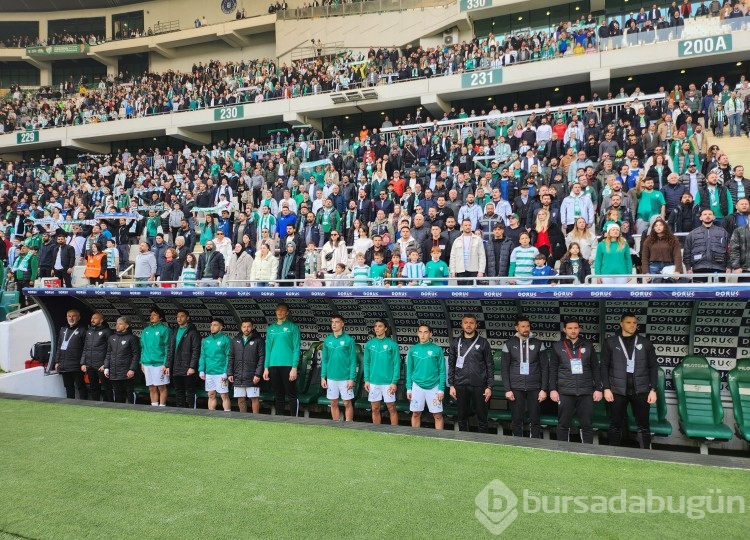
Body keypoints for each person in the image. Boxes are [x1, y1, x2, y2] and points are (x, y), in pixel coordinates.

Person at [601, 313, 658, 449]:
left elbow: (653, 367)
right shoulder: (611, 342)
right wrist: (606, 388)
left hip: (641, 390)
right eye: (628, 322)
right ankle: (613, 454)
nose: (632, 325)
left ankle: (645, 455)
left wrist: (653, 389)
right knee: (615, 424)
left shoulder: (645, 343)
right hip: (617, 390)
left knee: (643, 425)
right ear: (621, 324)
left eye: (634, 323)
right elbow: (603, 366)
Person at [549, 317, 602, 444]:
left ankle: (587, 452)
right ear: (564, 330)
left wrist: (599, 389)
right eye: (570, 328)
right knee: (563, 424)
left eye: (575, 328)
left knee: (587, 425)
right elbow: (553, 370)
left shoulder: (588, 346)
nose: (573, 331)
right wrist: (552, 389)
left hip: (585, 391)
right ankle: (563, 452)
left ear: (579, 329)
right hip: (565, 391)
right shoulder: (557, 347)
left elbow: (595, 368)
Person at [501, 316, 547, 438]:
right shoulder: (509, 344)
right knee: (516, 419)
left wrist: (543, 389)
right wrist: (507, 389)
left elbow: (544, 368)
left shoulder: (538, 344)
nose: (526, 329)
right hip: (516, 387)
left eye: (527, 326)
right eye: (523, 326)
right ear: (517, 328)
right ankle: (517, 444)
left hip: (535, 387)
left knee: (535, 419)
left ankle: (535, 443)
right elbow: (504, 368)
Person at [448, 314, 493, 433]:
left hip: (480, 385)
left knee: (482, 415)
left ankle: (484, 440)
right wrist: (451, 385)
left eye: (471, 323)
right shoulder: (455, 342)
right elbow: (451, 364)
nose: (469, 325)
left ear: (476, 325)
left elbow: (489, 365)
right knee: (462, 415)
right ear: (462, 325)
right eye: (466, 322)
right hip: (460, 384)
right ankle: (464, 440)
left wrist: (489, 386)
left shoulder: (483, 342)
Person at [263, 302, 301, 416]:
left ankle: (294, 419)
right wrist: (266, 368)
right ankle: (280, 420)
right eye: (278, 309)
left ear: (287, 313)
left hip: (288, 365)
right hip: (273, 365)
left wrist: (294, 367)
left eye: (282, 310)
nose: (279, 312)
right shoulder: (271, 328)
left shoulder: (292, 327)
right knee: (278, 394)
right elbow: (268, 349)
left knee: (291, 394)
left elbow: (296, 349)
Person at [406, 324, 446, 430]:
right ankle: (415, 438)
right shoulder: (413, 350)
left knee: (437, 415)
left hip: (434, 386)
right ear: (417, 333)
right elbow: (409, 370)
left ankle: (439, 439)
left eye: (426, 332)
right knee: (415, 413)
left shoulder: (437, 349)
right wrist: (409, 388)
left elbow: (442, 371)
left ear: (430, 334)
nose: (422, 335)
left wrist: (441, 389)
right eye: (420, 332)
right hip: (417, 386)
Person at [364, 319, 401, 425]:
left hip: (388, 382)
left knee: (391, 408)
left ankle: (394, 432)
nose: (377, 328)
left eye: (380, 326)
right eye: (375, 326)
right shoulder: (369, 344)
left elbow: (396, 365)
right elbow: (366, 364)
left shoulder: (392, 344)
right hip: (374, 382)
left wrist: (394, 382)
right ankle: (376, 432)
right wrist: (367, 380)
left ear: (385, 328)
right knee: (375, 408)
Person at [321, 315, 357, 422]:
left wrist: (351, 378)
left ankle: (349, 425)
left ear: (342, 324)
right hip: (331, 377)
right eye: (332, 322)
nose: (334, 324)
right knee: (333, 402)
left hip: (345, 377)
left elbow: (353, 361)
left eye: (337, 322)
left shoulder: (349, 340)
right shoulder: (327, 340)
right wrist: (323, 377)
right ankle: (336, 425)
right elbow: (325, 360)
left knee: (347, 402)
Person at [228, 319, 265, 414]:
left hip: (253, 375)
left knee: (254, 398)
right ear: (241, 328)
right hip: (238, 375)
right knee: (240, 398)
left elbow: (262, 358)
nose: (246, 329)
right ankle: (242, 417)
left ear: (252, 327)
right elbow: (231, 357)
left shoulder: (258, 340)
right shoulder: (235, 340)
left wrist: (258, 374)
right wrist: (230, 373)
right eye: (244, 327)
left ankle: (255, 418)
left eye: (248, 326)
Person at [167, 309, 202, 408]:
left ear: (187, 318)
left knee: (190, 390)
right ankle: (180, 410)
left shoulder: (193, 332)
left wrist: (192, 367)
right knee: (179, 390)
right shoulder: (174, 331)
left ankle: (192, 410)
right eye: (178, 317)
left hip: (188, 368)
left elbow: (196, 351)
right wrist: (168, 365)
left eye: (182, 316)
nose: (179, 318)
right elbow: (170, 350)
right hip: (176, 367)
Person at [682, 208, 728, 279]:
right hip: (699, 268)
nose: (707, 216)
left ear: (714, 217)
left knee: (718, 290)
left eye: (710, 214)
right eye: (705, 214)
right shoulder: (692, 234)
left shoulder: (723, 232)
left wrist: (729, 266)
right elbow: (687, 253)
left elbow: (729, 250)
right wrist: (688, 268)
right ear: (700, 217)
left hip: (719, 268)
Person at [104, 316, 141, 404]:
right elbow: (108, 353)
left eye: (120, 324)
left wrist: (132, 369)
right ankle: (118, 411)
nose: (117, 326)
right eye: (117, 324)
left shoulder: (132, 338)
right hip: (114, 371)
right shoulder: (111, 338)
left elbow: (136, 355)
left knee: (129, 392)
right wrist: (106, 367)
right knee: (117, 393)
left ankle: (133, 409)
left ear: (127, 325)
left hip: (127, 371)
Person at [199, 317, 232, 411]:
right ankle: (211, 414)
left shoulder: (226, 340)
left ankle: (227, 415)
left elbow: (228, 357)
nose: (212, 327)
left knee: (224, 395)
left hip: (221, 372)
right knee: (211, 394)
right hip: (209, 372)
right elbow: (203, 355)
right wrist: (201, 370)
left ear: (221, 327)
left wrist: (226, 372)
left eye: (215, 325)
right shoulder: (206, 340)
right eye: (211, 325)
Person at [53, 309, 88, 400]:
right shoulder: (63, 330)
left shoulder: (83, 330)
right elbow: (59, 347)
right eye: (69, 316)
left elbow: (86, 348)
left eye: (74, 316)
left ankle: (84, 404)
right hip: (64, 365)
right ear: (66, 317)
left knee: (80, 386)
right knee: (68, 387)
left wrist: (83, 362)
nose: (71, 318)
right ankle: (70, 404)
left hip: (77, 364)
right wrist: (57, 361)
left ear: (79, 318)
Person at [140, 306, 170, 407]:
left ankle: (162, 407)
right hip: (147, 363)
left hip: (159, 363)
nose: (151, 317)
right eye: (151, 315)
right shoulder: (146, 330)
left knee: (161, 387)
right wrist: (142, 362)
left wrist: (166, 363)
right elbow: (143, 348)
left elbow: (167, 347)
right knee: (151, 387)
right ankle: (154, 407)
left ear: (160, 317)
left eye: (154, 315)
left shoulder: (165, 330)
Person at [80, 312, 113, 401]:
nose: (92, 320)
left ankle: (110, 405)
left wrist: (106, 365)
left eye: (95, 318)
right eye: (92, 318)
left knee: (107, 387)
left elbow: (111, 350)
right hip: (90, 364)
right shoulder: (89, 331)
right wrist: (83, 363)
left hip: (101, 365)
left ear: (101, 320)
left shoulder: (107, 331)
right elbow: (85, 348)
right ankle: (95, 405)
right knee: (93, 387)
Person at [641, 217, 683, 282]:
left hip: (669, 267)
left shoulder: (673, 239)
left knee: (668, 290)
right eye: (656, 225)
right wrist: (646, 272)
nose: (658, 227)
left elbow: (677, 256)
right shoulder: (648, 240)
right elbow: (644, 257)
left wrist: (677, 270)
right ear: (653, 228)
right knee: (654, 290)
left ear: (665, 226)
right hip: (653, 267)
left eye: (660, 225)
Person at [449, 218, 486, 284]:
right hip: (460, 271)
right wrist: (452, 271)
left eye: (469, 225)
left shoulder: (478, 240)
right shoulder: (457, 240)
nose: (467, 227)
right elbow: (453, 257)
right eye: (465, 225)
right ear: (462, 226)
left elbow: (482, 256)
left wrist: (481, 271)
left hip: (474, 270)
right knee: (462, 293)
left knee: (474, 293)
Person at [8, 243, 38, 308]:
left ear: (29, 249)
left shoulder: (32, 257)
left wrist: (32, 279)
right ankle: (23, 310)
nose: (22, 249)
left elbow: (34, 270)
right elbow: (16, 269)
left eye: (24, 248)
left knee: (30, 296)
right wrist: (15, 278)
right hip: (19, 280)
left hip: (27, 280)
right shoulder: (18, 258)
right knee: (20, 296)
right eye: (21, 248)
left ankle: (32, 310)